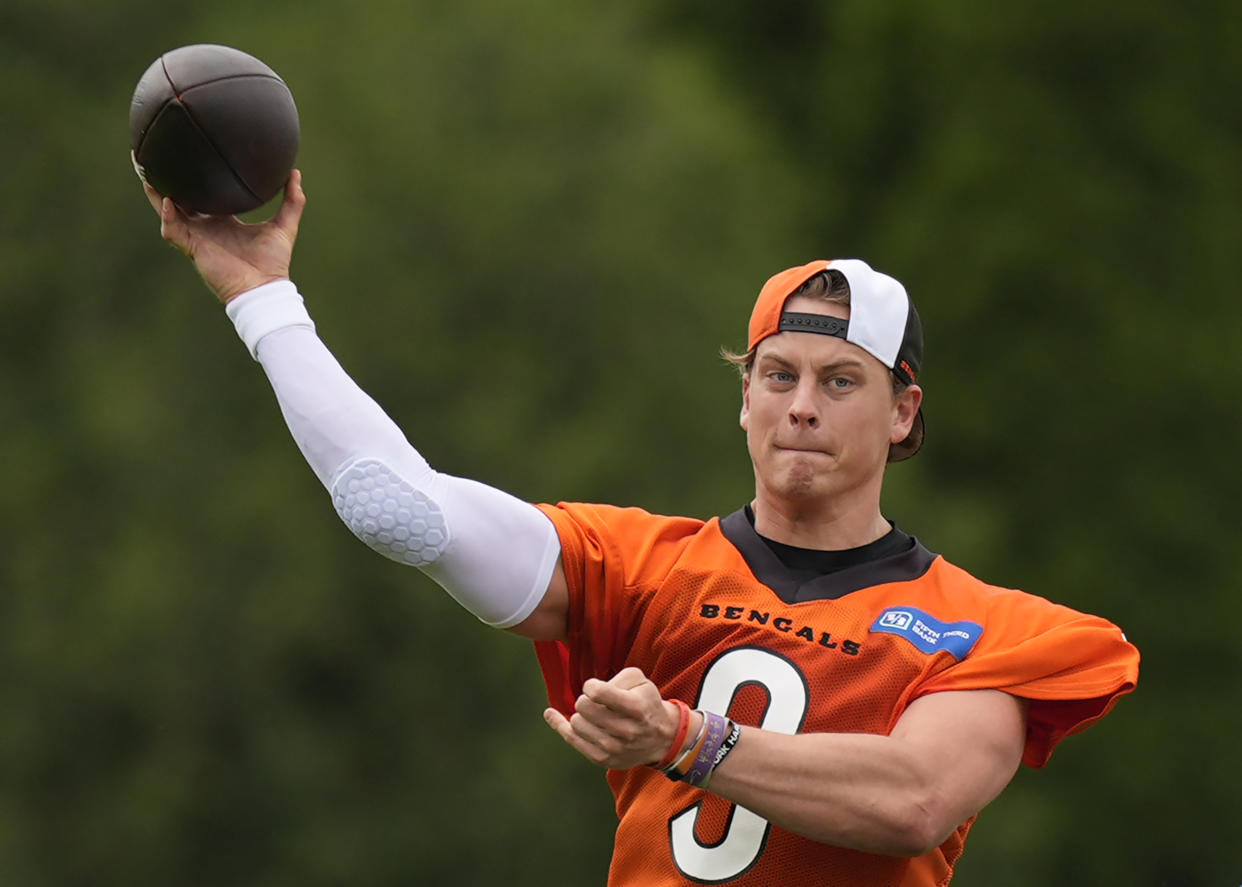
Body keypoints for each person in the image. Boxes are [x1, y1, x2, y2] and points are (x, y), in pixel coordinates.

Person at [143, 171, 1139, 886]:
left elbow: (914, 799)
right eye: (777, 374)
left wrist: (686, 735)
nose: (802, 405)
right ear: (743, 396)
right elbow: (397, 504)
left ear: (904, 411)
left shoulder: (991, 627)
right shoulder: (643, 566)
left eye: (841, 381)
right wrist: (260, 296)